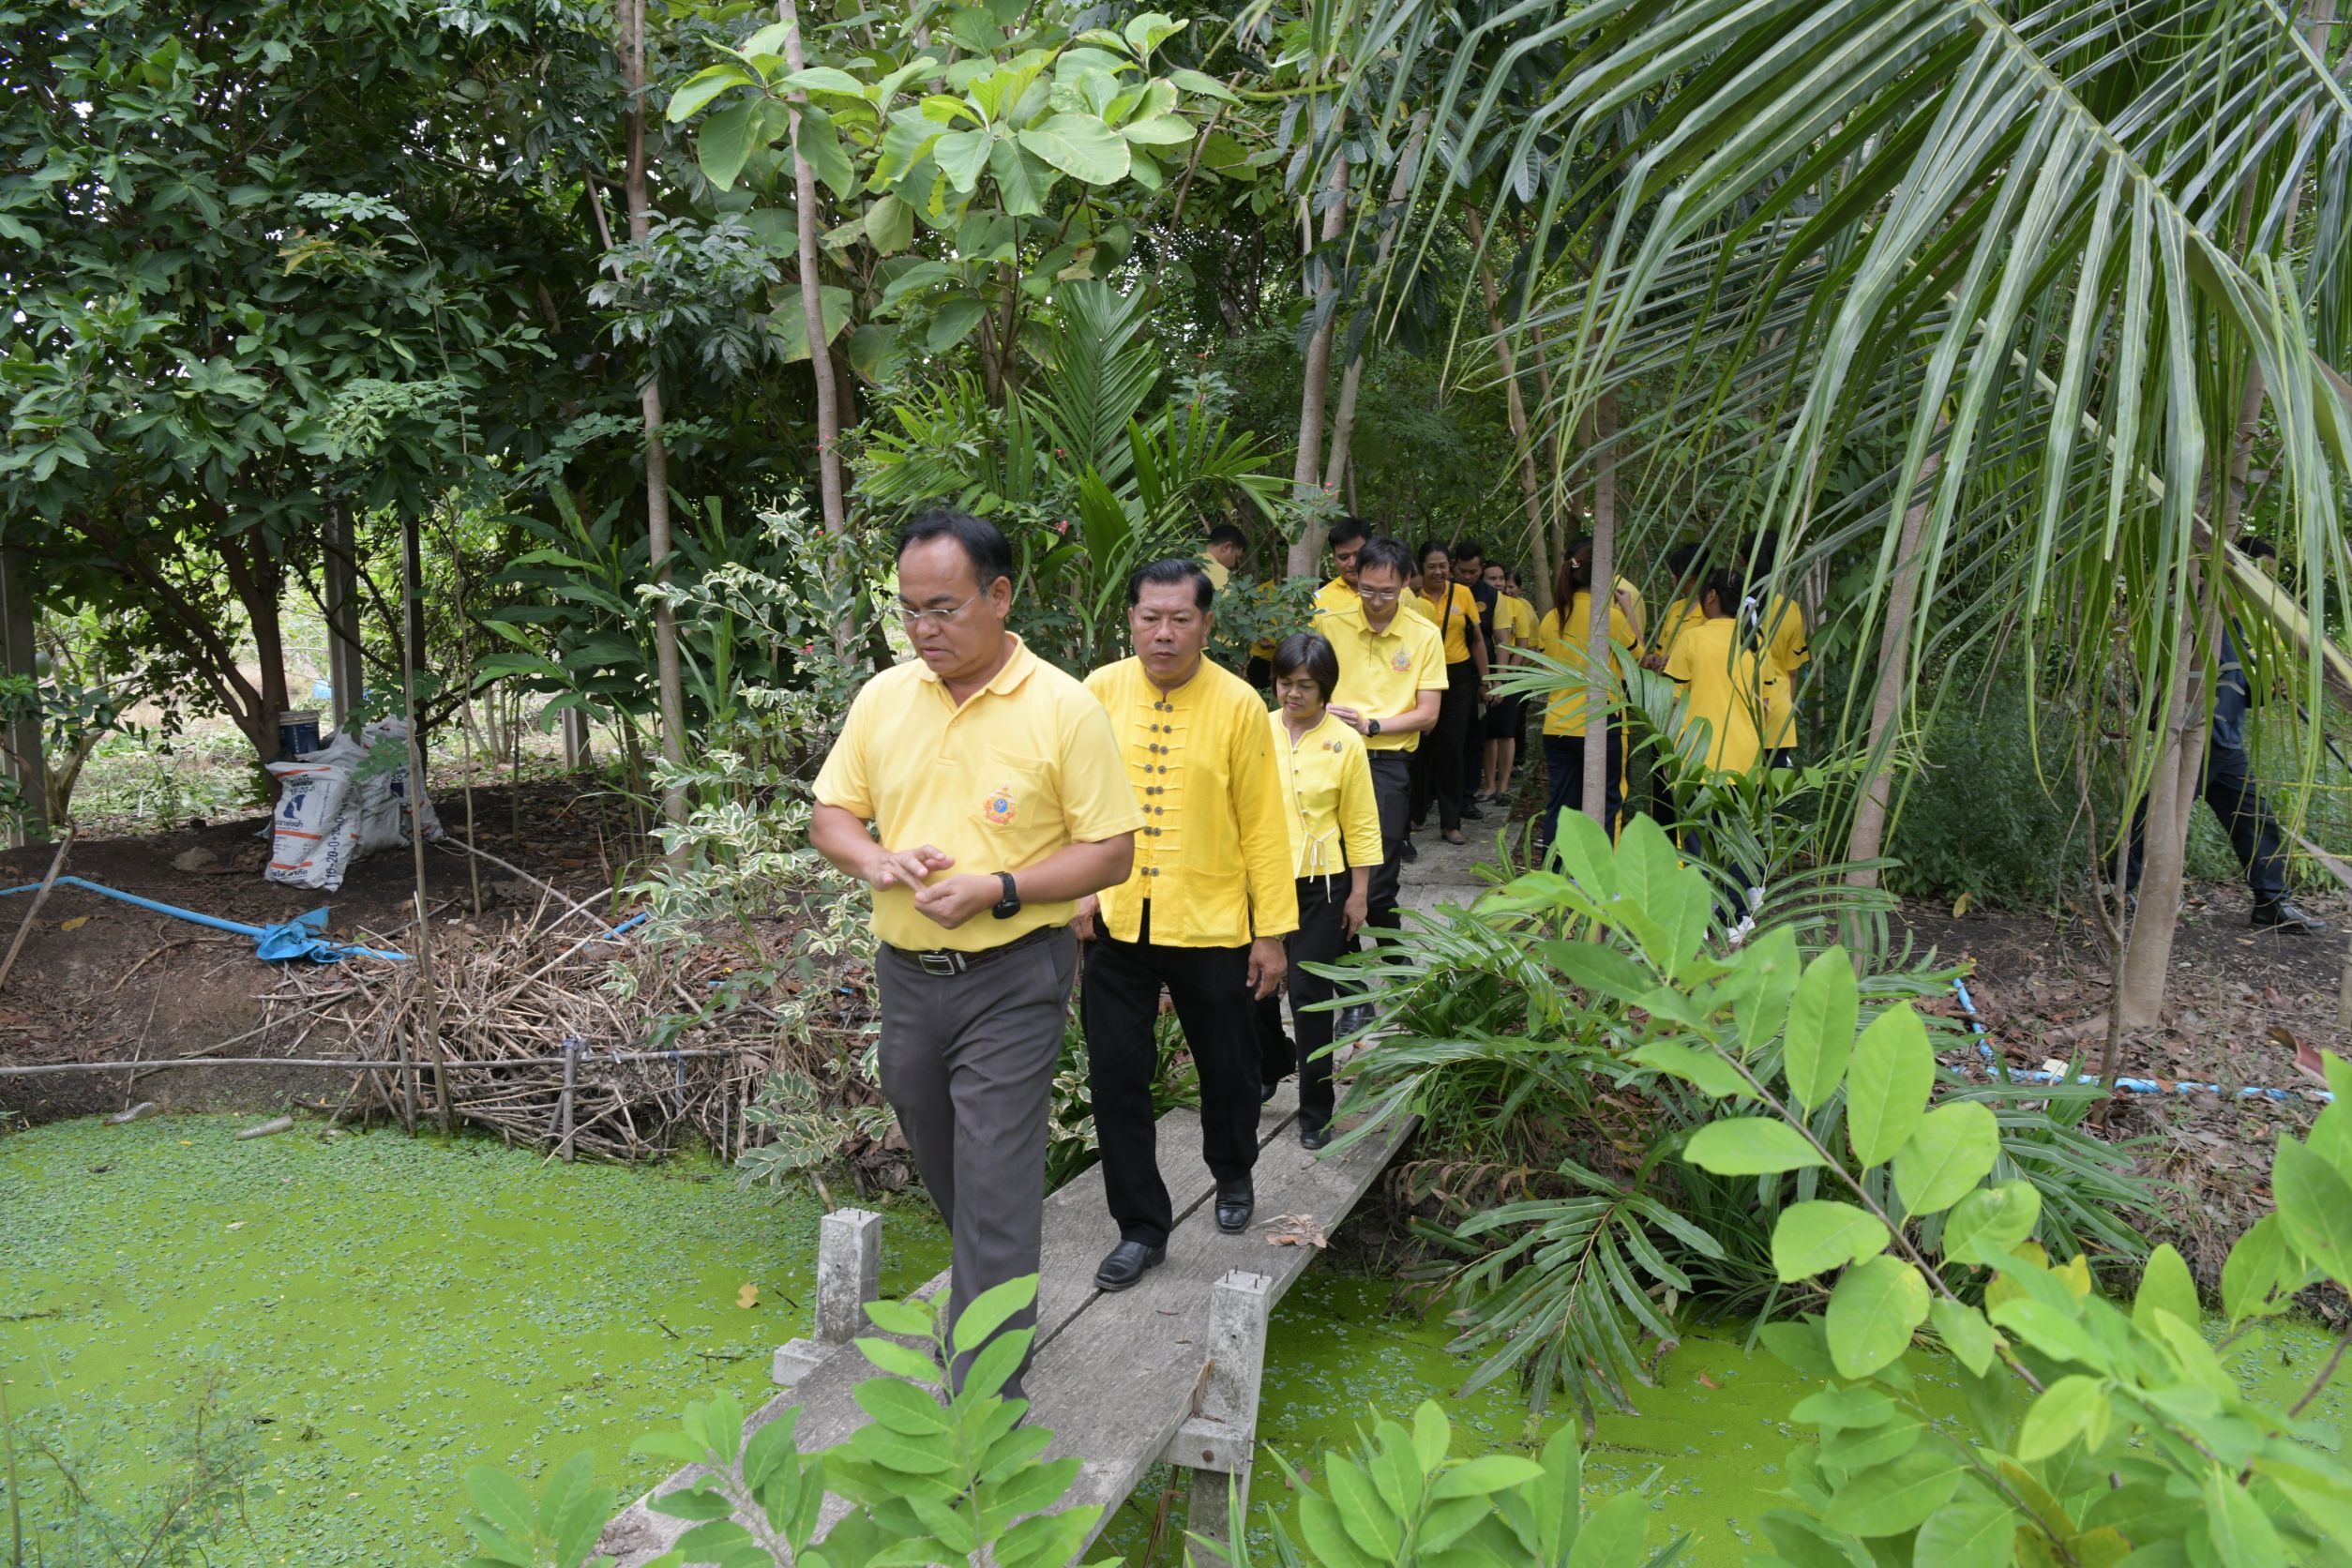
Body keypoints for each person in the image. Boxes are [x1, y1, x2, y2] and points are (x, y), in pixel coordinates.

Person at [810, 509, 1140, 1395]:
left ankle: (986, 1393)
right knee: (944, 1149)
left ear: (999, 596)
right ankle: (991, 1283)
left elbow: (1112, 852)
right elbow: (831, 815)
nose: (924, 629)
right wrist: (876, 859)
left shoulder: (1062, 707)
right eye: (909, 610)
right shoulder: (885, 698)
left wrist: (999, 887)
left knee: (994, 1172)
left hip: (1014, 974)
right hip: (908, 978)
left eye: (944, 609)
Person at [1077, 560, 1300, 1292]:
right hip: (1117, 921)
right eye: (1150, 618)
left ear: (1207, 624)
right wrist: (1078, 891)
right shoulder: (1099, 691)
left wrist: (1270, 932)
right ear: (1131, 620)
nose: (1164, 633)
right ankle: (1141, 1227)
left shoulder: (1238, 705)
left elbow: (1264, 825)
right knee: (1116, 1075)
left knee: (1229, 1067)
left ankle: (1232, 1168)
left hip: (1211, 921)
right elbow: (1071, 801)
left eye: (1180, 619)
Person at [2125, 537, 2326, 933]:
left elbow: (2237, 690)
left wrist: (2270, 689)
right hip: (2193, 735)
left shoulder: (2233, 626)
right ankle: (2116, 887)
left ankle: (2272, 904)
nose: (2263, 590)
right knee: (2159, 814)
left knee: (2253, 819)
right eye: (2258, 577)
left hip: (2223, 742)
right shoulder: (2191, 615)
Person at [1252, 632, 1382, 1150]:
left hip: (1322, 885)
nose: (1293, 694)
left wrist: (1359, 892)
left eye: (1305, 685)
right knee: (1252, 985)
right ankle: (1272, 1060)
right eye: (1285, 683)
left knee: (1309, 995)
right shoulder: (1255, 730)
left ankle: (1315, 1110)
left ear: (1325, 687)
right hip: (1260, 881)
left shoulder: (1345, 742)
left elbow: (1362, 822)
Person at [1316, 536, 1445, 942]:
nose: (1375, 601)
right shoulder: (1329, 623)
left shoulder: (1424, 634)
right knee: (1332, 871)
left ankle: (1394, 961)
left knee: (1378, 878)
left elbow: (1428, 715)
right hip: (1329, 757)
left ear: (1406, 582)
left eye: (1387, 592)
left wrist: (1370, 725)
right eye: (1366, 589)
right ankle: (1345, 967)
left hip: (1387, 763)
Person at [1531, 539, 1640, 854]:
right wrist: (1627, 610)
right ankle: (1601, 876)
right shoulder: (1610, 619)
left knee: (1561, 805)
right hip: (1603, 723)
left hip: (1558, 723)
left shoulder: (1552, 618)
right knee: (1608, 803)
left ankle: (1555, 871)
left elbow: (1545, 665)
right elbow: (1640, 659)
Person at [1652, 566, 1773, 776]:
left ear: (1711, 595)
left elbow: (1673, 702)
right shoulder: (1758, 643)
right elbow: (1764, 706)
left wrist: (1668, 756)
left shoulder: (1691, 639)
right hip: (1747, 765)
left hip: (1697, 760)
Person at [1410, 539, 1487, 844]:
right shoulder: (1411, 596)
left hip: (1458, 679)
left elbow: (1476, 640)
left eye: (1443, 566)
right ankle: (1416, 814)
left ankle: (1451, 823)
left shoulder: (1463, 594)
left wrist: (1486, 679)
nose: (1438, 572)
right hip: (1421, 679)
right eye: (1432, 566)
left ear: (1450, 566)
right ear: (1421, 568)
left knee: (1452, 749)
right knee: (1419, 747)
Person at [1741, 532, 1809, 768]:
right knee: (1773, 788)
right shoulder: (1790, 609)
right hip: (1778, 712)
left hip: (1740, 711)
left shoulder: (1733, 606)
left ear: (1743, 561)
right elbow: (1792, 672)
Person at [1480, 561, 1537, 804]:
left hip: (1510, 674)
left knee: (1506, 731)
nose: (1498, 583)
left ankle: (1503, 785)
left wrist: (1504, 678)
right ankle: (1489, 784)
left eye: (1501, 578)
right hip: (1483, 672)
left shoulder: (1517, 606)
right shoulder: (1479, 602)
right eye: (1491, 578)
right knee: (1488, 733)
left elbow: (1522, 644)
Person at [1453, 538, 1501, 807]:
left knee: (1476, 738)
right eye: (1462, 571)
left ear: (1481, 568)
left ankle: (1468, 795)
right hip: (1450, 674)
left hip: (1479, 676)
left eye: (1473, 571)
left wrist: (1492, 680)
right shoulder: (1444, 591)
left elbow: (1497, 639)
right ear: (1453, 567)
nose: (1467, 576)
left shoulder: (1491, 596)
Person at [1201, 522, 1248, 591]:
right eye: (1236, 557)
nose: (1234, 564)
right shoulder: (1220, 575)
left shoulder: (1190, 559)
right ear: (1227, 547)